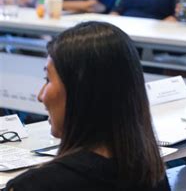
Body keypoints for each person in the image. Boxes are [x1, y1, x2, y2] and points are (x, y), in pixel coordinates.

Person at [5, 22, 170, 191]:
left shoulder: (33, 186)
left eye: (48, 80)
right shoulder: (154, 177)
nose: (41, 96)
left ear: (81, 91)